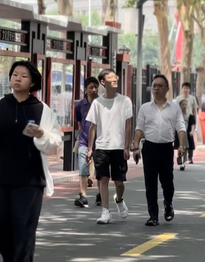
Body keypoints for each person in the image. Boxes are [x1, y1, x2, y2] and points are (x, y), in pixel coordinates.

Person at [0, 61, 61, 262]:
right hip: (1, 176)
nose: (17, 79)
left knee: (24, 225)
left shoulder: (43, 109)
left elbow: (53, 143)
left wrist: (42, 134)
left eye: (23, 76)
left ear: (32, 82)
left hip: (31, 178)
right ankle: (8, 258)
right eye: (14, 74)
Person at [133, 75, 186, 226]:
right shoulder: (145, 108)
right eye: (154, 85)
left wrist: (181, 146)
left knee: (167, 183)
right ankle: (153, 216)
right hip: (149, 148)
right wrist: (136, 146)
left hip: (166, 149)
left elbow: (181, 128)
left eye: (159, 86)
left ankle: (168, 203)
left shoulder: (174, 108)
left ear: (167, 89)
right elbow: (139, 128)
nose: (156, 88)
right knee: (150, 184)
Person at [86, 69, 133, 224]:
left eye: (115, 77)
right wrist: (90, 148)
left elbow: (128, 125)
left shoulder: (125, 101)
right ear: (103, 82)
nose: (114, 79)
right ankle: (105, 211)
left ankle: (119, 200)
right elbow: (93, 126)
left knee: (119, 182)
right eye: (110, 77)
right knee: (103, 178)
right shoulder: (97, 103)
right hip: (101, 146)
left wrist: (127, 146)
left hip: (119, 147)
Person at [74, 77, 100, 208]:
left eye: (96, 87)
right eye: (91, 87)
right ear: (86, 89)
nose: (94, 90)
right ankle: (83, 195)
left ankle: (100, 194)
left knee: (100, 172)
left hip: (100, 142)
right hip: (84, 141)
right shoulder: (80, 105)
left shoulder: (102, 103)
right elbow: (80, 122)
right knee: (83, 169)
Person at [175, 99, 196, 169]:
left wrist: (192, 131)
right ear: (180, 106)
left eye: (185, 104)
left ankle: (183, 162)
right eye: (183, 104)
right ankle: (179, 157)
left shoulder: (189, 116)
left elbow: (193, 124)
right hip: (178, 133)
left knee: (186, 147)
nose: (184, 106)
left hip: (186, 134)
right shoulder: (177, 115)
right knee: (179, 146)